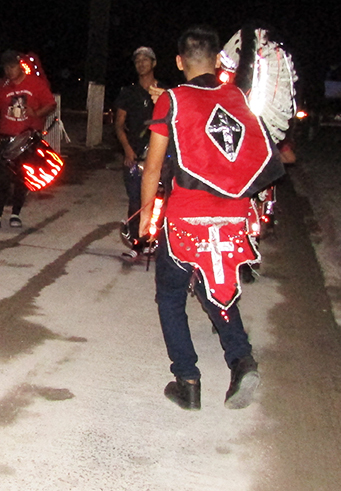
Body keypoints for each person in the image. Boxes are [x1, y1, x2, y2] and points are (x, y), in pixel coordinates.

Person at [139, 26, 283, 410]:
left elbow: (153, 168)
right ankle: (241, 360)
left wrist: (143, 216)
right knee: (214, 288)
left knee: (170, 296)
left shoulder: (172, 100)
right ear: (218, 60)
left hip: (187, 217)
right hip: (234, 218)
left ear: (178, 62)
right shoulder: (236, 97)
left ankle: (187, 380)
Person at [0, 50, 57, 229]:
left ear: (19, 65)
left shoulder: (35, 84)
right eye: (6, 67)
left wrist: (37, 113)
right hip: (5, 138)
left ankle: (15, 213)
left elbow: (51, 104)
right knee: (1, 179)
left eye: (12, 66)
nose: (9, 70)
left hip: (27, 140)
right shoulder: (1, 87)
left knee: (22, 179)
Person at [114, 46, 165, 263]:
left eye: (146, 60)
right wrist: (127, 149)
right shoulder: (128, 93)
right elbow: (118, 125)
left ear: (154, 64)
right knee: (136, 200)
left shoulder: (165, 92)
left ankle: (155, 242)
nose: (141, 63)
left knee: (160, 200)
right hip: (134, 156)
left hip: (160, 155)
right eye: (138, 61)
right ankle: (136, 242)